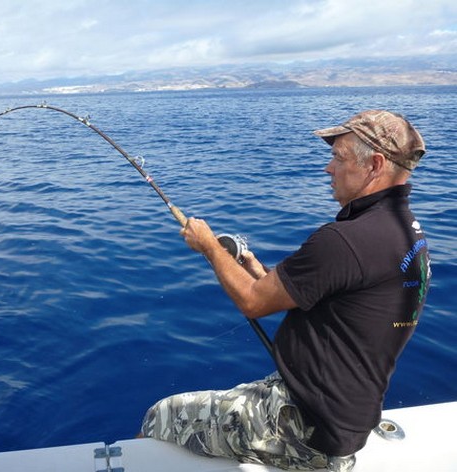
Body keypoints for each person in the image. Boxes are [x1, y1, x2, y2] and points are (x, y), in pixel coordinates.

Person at [138, 110, 431, 471]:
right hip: (348, 413)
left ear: (374, 164)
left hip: (305, 426)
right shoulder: (409, 235)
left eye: (338, 158)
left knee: (161, 414)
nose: (328, 169)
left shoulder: (345, 241)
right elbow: (337, 299)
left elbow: (251, 302)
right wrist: (259, 272)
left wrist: (210, 247)